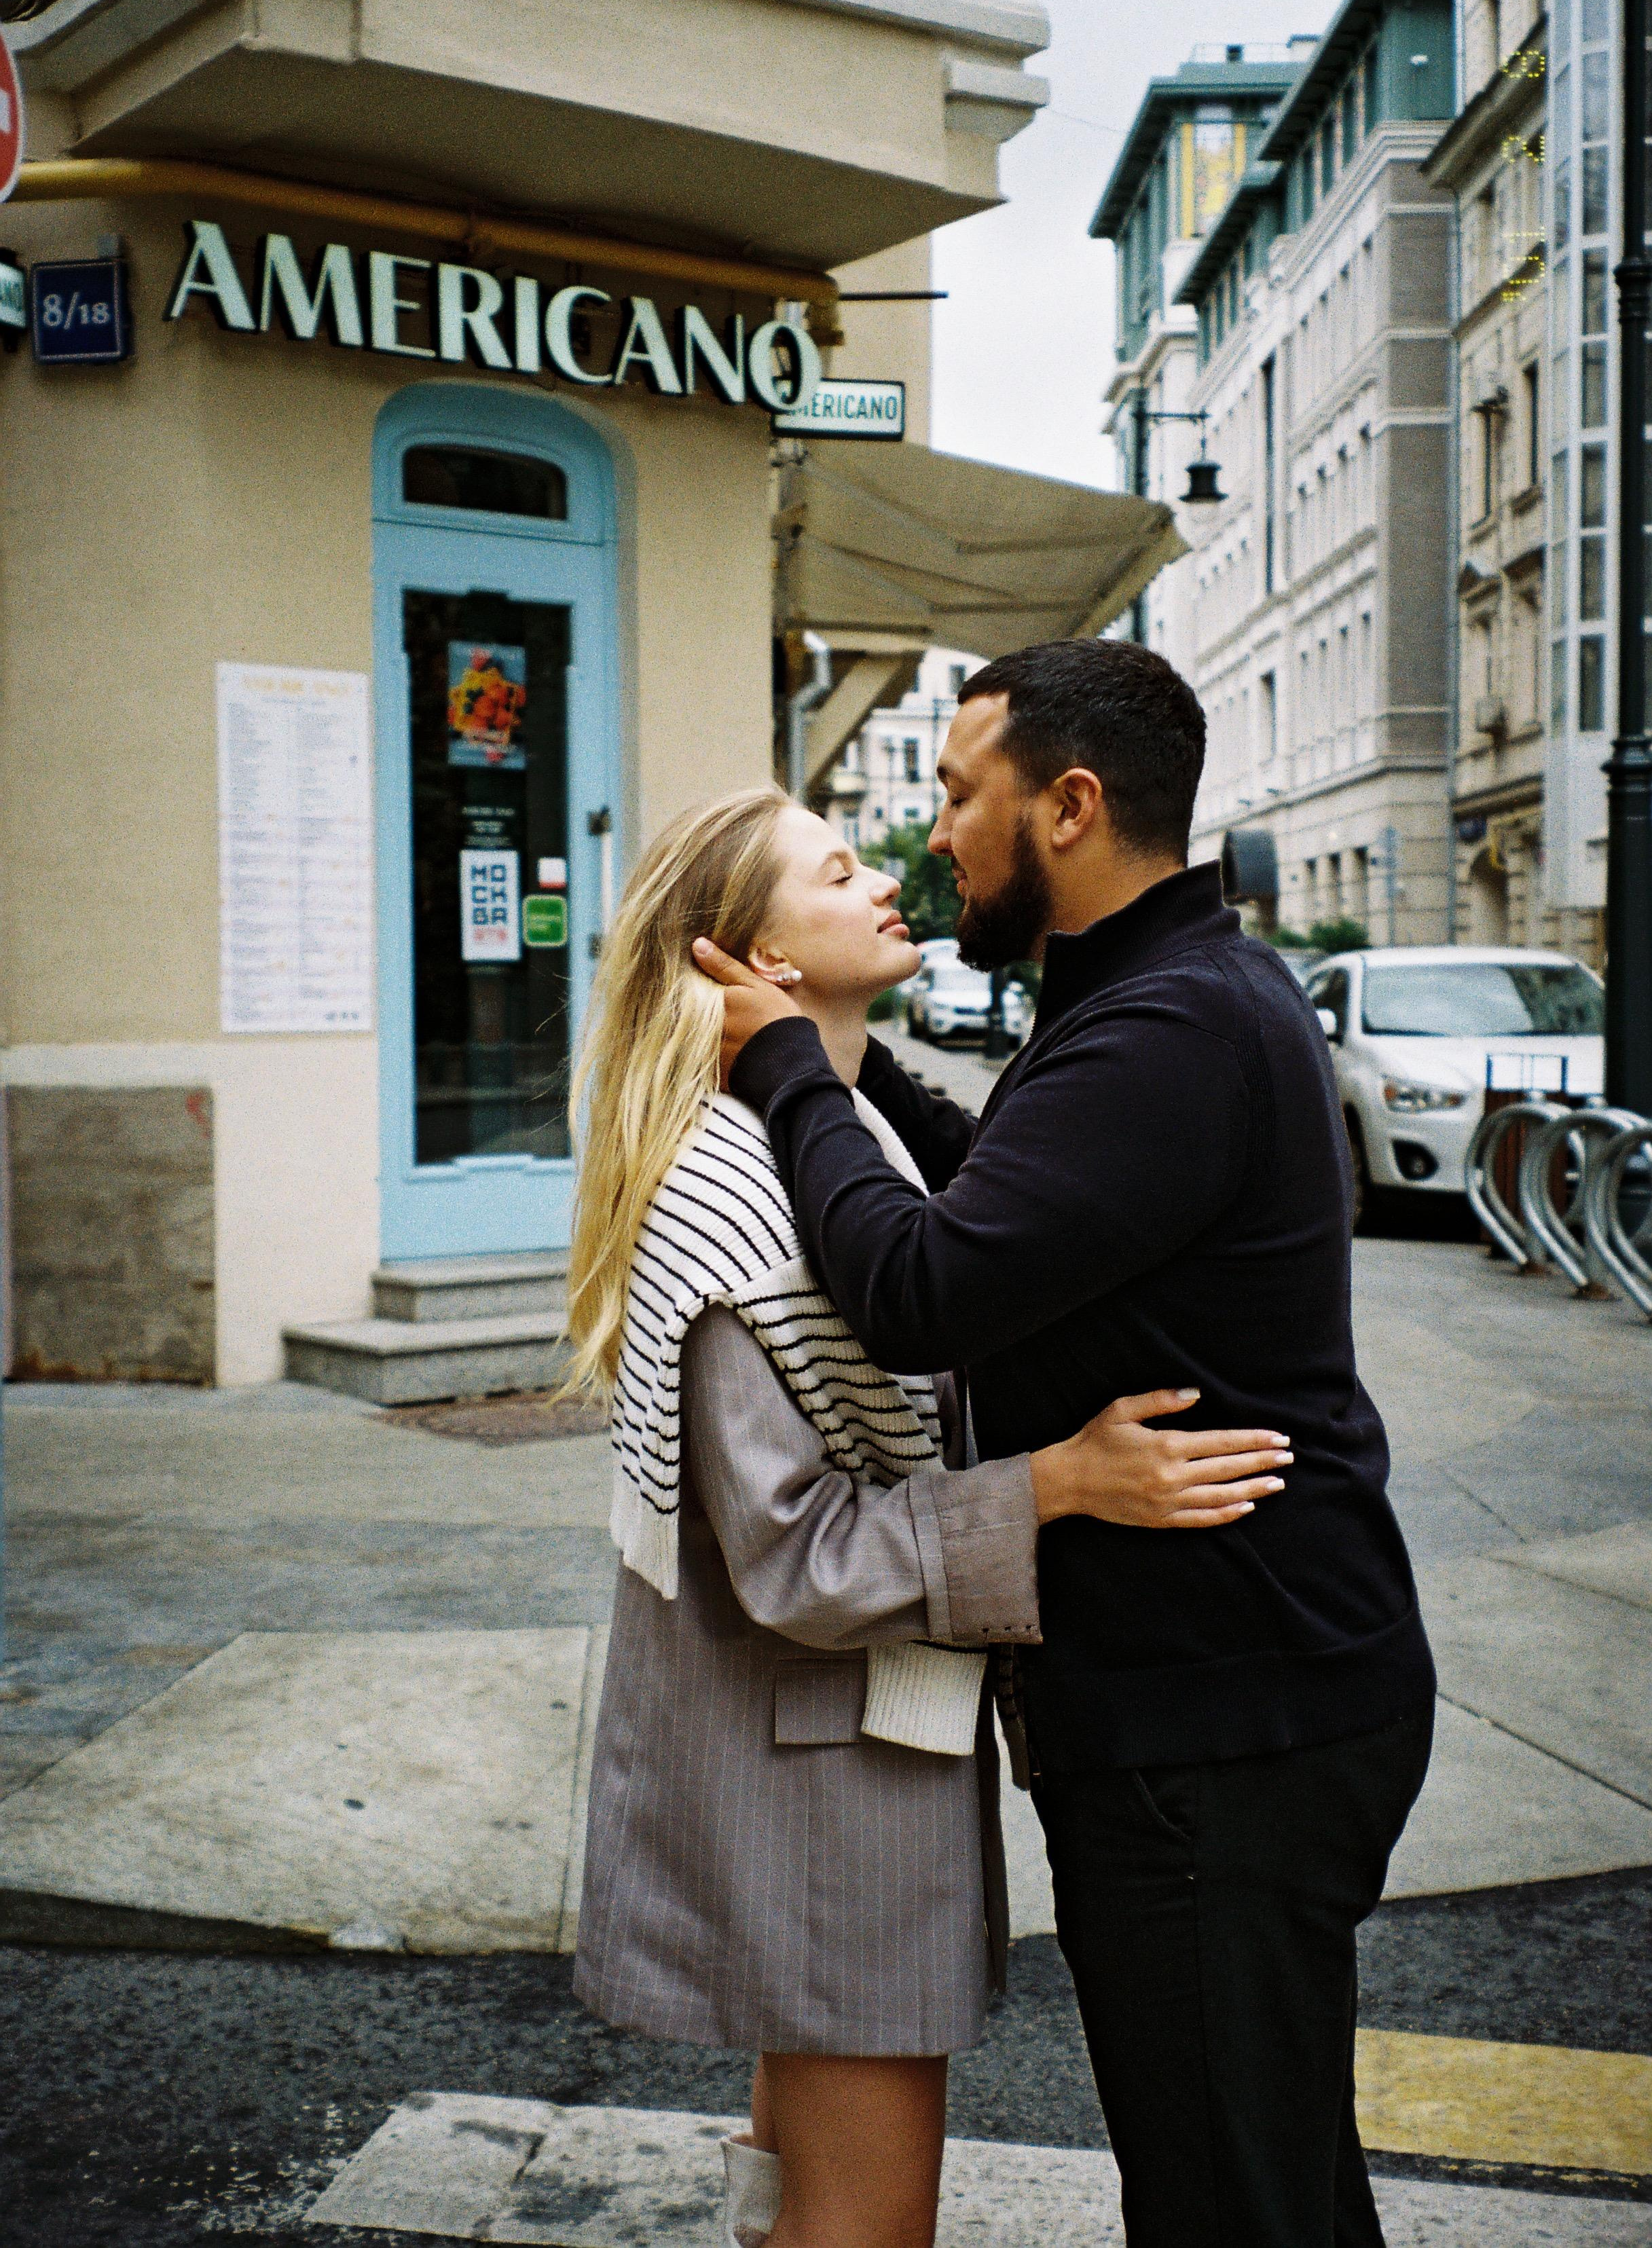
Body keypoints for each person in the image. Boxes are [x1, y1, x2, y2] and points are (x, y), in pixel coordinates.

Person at [693, 643, 1437, 2248]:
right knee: (1273, 2180)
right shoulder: (1158, 999)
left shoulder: (1167, 1025)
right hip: (1244, 1701)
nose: (932, 838)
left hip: (1222, 1727)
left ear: (1070, 807)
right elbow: (1005, 1200)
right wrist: (842, 1052)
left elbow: (918, 1283)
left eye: (960, 795)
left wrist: (777, 1067)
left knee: (1226, 2202)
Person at [566, 784, 1295, 2248]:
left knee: (799, 2188)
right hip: (819, 1774)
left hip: (835, 1747)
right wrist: (1057, 1483)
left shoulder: (817, 1140)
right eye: (835, 873)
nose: (888, 876)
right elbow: (790, 1556)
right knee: (866, 2220)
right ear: (759, 959)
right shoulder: (737, 1197)